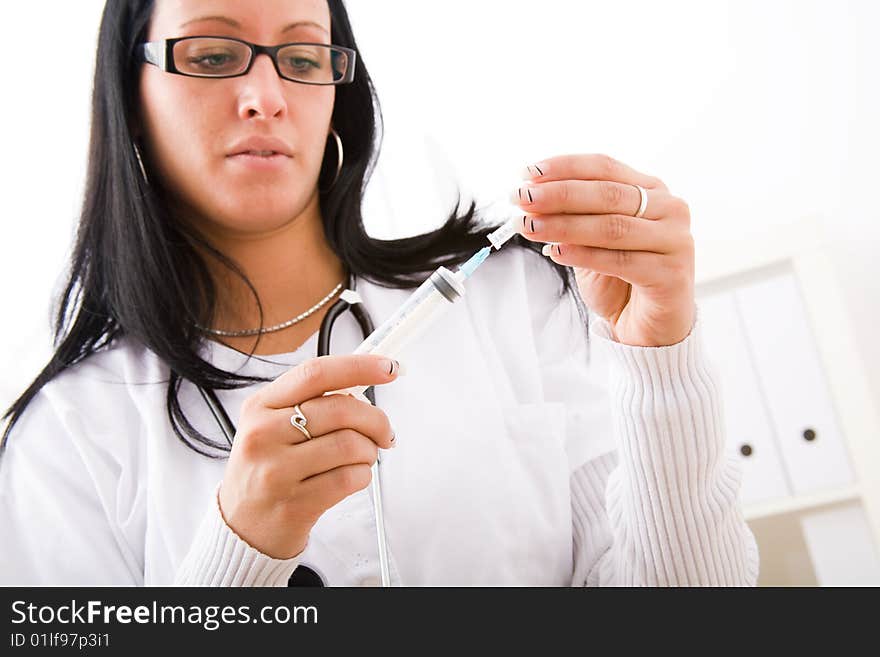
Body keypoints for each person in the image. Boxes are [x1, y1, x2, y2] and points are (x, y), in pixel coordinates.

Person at [0, 0, 758, 586]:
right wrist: (240, 550)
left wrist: (664, 361)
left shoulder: (517, 298)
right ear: (129, 95)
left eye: (302, 56)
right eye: (212, 54)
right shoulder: (65, 436)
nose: (266, 96)